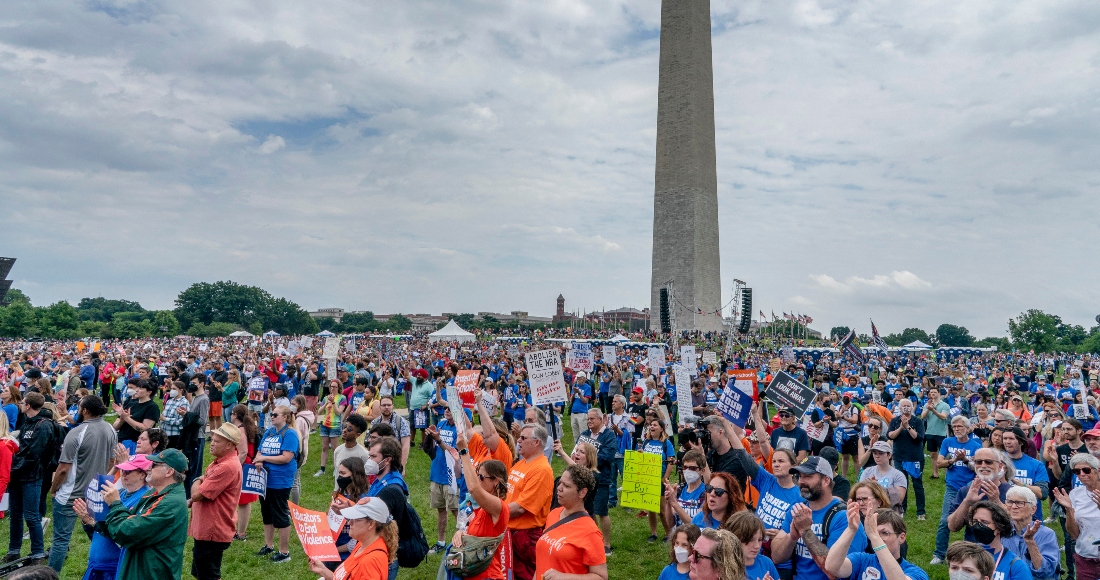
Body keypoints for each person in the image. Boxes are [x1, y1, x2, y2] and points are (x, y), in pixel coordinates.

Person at [76, 449, 189, 580]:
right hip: (137, 570)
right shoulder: (154, 494)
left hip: (151, 574)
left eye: (154, 465)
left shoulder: (171, 503)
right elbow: (120, 528)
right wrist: (93, 522)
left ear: (169, 472)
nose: (148, 468)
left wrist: (115, 503)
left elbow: (128, 532)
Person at [48, 394, 117, 572]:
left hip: (71, 495)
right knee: (98, 535)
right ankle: (103, 570)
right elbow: (112, 461)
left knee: (60, 540)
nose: (77, 411)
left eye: (79, 408)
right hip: (97, 492)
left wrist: (53, 489)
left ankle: (50, 575)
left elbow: (63, 468)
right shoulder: (110, 428)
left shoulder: (76, 432)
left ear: (85, 410)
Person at [771, 457, 867, 580]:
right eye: (800, 476)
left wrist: (806, 532)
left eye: (808, 476)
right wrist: (792, 538)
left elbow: (835, 572)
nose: (801, 481)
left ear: (826, 480)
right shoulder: (797, 511)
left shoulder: (845, 518)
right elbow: (777, 557)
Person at [74, 455, 150, 580]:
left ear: (143, 474)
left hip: (113, 569)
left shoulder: (143, 499)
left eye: (129, 471)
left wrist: (92, 523)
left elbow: (123, 535)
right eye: (123, 470)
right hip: (96, 565)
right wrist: (86, 521)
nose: (124, 474)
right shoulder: (119, 493)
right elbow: (98, 531)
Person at [6, 392, 57, 566]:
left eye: (23, 402)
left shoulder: (44, 425)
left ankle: (37, 553)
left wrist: (13, 464)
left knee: (32, 516)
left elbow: (34, 454)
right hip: (17, 476)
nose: (21, 404)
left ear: (28, 405)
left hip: (32, 476)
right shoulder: (26, 421)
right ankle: (13, 550)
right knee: (15, 515)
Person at [188, 423, 244, 580]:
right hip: (208, 529)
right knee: (201, 572)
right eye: (212, 439)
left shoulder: (226, 466)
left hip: (213, 530)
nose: (211, 443)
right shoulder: (219, 462)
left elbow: (197, 495)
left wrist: (197, 479)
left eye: (217, 441)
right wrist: (203, 480)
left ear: (230, 445)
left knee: (209, 575)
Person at [533, 465, 608, 580]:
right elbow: (543, 560)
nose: (559, 488)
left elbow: (601, 577)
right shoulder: (554, 514)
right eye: (560, 482)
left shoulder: (590, 532)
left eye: (567, 486)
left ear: (582, 492)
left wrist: (564, 577)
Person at [452, 433, 510, 580]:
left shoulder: (499, 507)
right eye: (477, 475)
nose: (478, 480)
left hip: (488, 575)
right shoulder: (482, 508)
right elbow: (475, 534)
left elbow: (474, 489)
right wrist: (461, 534)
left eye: (481, 477)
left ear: (496, 481)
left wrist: (464, 452)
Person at [931, 414, 983, 564]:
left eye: (959, 426)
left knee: (973, 522)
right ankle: (939, 554)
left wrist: (965, 460)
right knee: (944, 521)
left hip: (970, 489)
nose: (956, 429)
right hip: (952, 487)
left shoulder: (976, 446)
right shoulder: (947, 442)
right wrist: (954, 460)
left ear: (967, 428)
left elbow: (978, 469)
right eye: (954, 427)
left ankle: (973, 554)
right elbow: (939, 463)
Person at [823, 507, 927, 580]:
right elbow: (831, 567)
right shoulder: (861, 560)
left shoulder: (916, 573)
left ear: (901, 537)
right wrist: (851, 529)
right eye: (875, 532)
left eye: (885, 533)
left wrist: (874, 536)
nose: (878, 537)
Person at [507, 424, 554, 580]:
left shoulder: (541, 470)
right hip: (512, 532)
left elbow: (521, 508)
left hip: (526, 537)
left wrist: (494, 513)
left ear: (536, 442)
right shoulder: (521, 463)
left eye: (523, 438)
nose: (518, 440)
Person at [254, 404, 300, 563]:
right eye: (272, 415)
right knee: (266, 513)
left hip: (280, 480)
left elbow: (286, 457)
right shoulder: (269, 431)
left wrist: (264, 458)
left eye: (275, 415)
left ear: (285, 417)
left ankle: (284, 552)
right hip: (264, 479)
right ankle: (268, 546)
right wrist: (259, 459)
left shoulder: (290, 434)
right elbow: (259, 450)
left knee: (280, 514)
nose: (272, 417)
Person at [309, 498, 398, 580]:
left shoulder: (369, 563)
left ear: (371, 524)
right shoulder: (363, 543)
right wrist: (323, 570)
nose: (349, 522)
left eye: (356, 519)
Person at [1052, 452, 1100, 578]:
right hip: (1085, 558)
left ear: (1097, 471)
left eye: (1086, 470)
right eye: (1077, 472)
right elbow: (1074, 534)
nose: (1082, 474)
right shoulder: (1075, 494)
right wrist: (1069, 510)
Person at [578, 408, 620, 548]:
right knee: (588, 511)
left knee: (601, 511)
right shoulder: (584, 435)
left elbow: (607, 456)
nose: (589, 421)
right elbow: (576, 452)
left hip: (601, 479)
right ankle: (594, 538)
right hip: (584, 479)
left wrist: (588, 459)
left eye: (592, 419)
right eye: (588, 419)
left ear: (601, 419)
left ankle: (606, 544)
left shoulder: (609, 436)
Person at [962, 500, 1032, 580]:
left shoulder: (1016, 565)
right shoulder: (965, 556)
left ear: (999, 527)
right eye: (975, 521)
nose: (978, 526)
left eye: (984, 522)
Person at [1001, 486, 1058, 580]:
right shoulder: (1001, 531)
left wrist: (1030, 541)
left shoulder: (1046, 534)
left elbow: (1045, 572)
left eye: (1020, 503)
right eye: (1010, 502)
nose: (1014, 507)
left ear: (1033, 509)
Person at [423, 408, 459, 554]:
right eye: (445, 408)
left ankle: (460, 543)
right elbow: (432, 448)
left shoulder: (460, 429)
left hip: (451, 477)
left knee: (457, 511)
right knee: (441, 509)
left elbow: (454, 453)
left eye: (451, 408)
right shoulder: (442, 424)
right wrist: (430, 436)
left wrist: (438, 439)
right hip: (437, 473)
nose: (447, 410)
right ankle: (441, 541)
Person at [886, 399, 925, 520]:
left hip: (915, 457)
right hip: (899, 457)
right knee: (901, 484)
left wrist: (907, 426)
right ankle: (901, 509)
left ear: (912, 408)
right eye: (904, 406)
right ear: (900, 408)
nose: (906, 408)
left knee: (917, 484)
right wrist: (900, 427)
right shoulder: (894, 420)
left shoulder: (917, 421)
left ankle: (921, 512)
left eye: (908, 406)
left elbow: (918, 438)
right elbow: (890, 435)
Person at [1000, 427, 1049, 518]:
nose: (1007, 442)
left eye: (1011, 438)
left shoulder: (1036, 465)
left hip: (1031, 519)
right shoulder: (997, 462)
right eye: (1005, 438)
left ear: (1021, 442)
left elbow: (1043, 493)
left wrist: (1021, 484)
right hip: (1004, 517)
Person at [722, 512, 780, 580]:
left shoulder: (766, 562)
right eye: (750, 540)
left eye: (760, 539)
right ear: (734, 539)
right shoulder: (723, 567)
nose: (757, 546)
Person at [232, 405, 260, 541]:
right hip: (246, 465)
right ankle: (238, 530)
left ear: (235, 415)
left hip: (243, 466)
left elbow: (242, 453)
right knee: (242, 500)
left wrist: (233, 467)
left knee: (243, 501)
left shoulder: (240, 430)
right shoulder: (245, 428)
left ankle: (241, 532)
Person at [856, 441, 907, 512]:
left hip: (889, 513)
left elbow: (899, 499)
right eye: (874, 453)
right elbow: (859, 494)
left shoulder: (898, 475)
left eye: (881, 453)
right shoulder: (867, 471)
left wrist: (876, 487)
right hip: (868, 511)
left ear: (889, 455)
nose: (877, 456)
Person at [316, 379, 348, 477]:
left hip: (335, 425)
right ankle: (322, 469)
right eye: (331, 386)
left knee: (335, 449)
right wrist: (326, 402)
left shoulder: (342, 398)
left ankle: (336, 468)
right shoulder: (326, 398)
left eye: (334, 386)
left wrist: (333, 402)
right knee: (324, 447)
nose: (332, 388)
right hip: (325, 424)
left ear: (339, 388)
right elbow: (319, 412)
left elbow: (339, 412)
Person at [113, 379, 159, 447]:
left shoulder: (152, 407)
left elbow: (145, 428)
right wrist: (122, 420)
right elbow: (114, 427)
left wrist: (127, 418)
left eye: (140, 388)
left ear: (149, 392)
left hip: (135, 443)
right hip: (120, 441)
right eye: (137, 387)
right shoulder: (131, 404)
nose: (137, 390)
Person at [370, 396, 411, 468]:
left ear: (393, 406)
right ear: (380, 407)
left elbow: (405, 446)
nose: (386, 407)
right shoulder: (375, 422)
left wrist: (402, 466)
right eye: (384, 405)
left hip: (394, 460)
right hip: (377, 460)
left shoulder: (401, 422)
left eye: (389, 405)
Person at [920, 385, 950, 479]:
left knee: (944, 455)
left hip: (941, 433)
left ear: (939, 393)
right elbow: (922, 417)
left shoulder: (945, 405)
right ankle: (935, 473)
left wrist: (933, 410)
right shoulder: (927, 404)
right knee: (933, 454)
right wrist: (929, 409)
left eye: (934, 392)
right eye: (931, 393)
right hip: (930, 432)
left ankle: (946, 475)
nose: (932, 394)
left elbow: (944, 417)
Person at [334, 414, 370, 489]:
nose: (344, 430)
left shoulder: (363, 454)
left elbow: (365, 477)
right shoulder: (338, 450)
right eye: (344, 426)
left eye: (349, 429)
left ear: (357, 435)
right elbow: (337, 473)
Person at [160, 381, 189, 450]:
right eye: (171, 389)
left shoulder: (184, 402)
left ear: (181, 390)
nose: (172, 391)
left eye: (174, 389)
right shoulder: (169, 401)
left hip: (174, 435)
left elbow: (181, 421)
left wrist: (165, 419)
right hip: (164, 433)